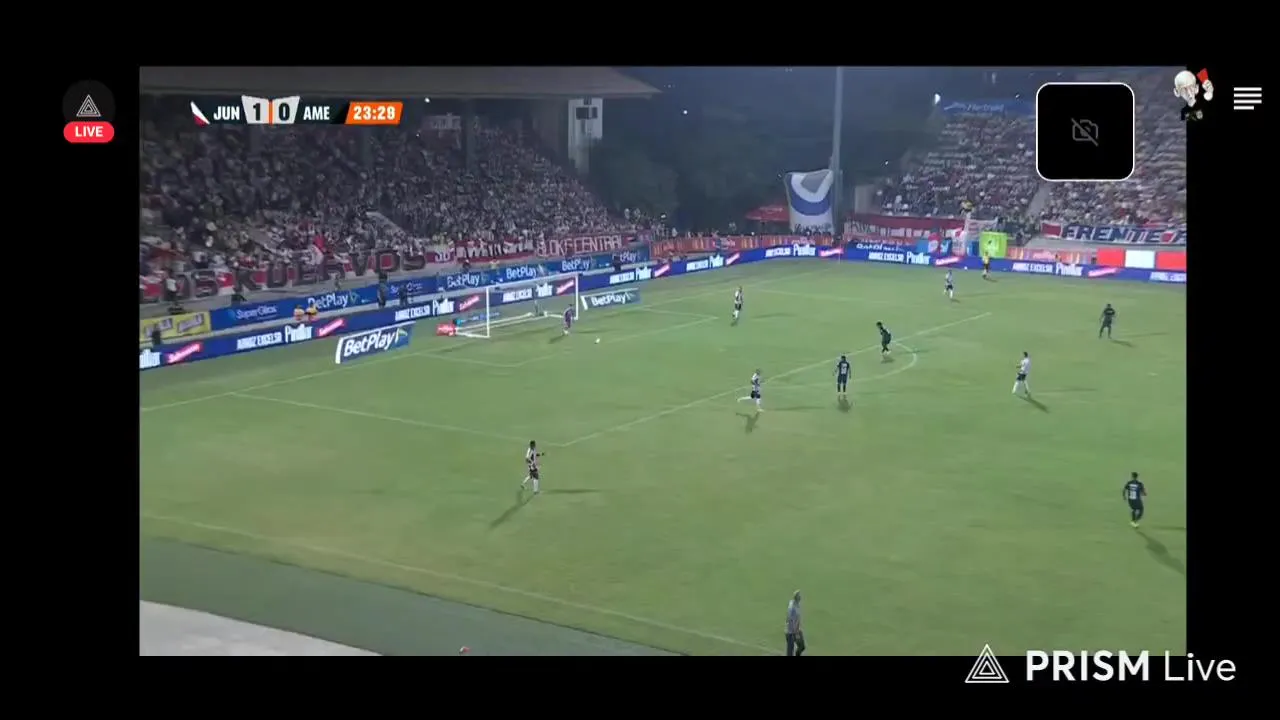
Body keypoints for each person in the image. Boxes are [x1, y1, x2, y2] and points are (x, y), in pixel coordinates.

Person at [785, 590, 805, 657]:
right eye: (799, 596)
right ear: (796, 597)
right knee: (790, 653)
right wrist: (796, 633)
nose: (800, 597)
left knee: (802, 646)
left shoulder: (796, 604)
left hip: (797, 629)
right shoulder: (792, 608)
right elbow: (792, 621)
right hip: (790, 632)